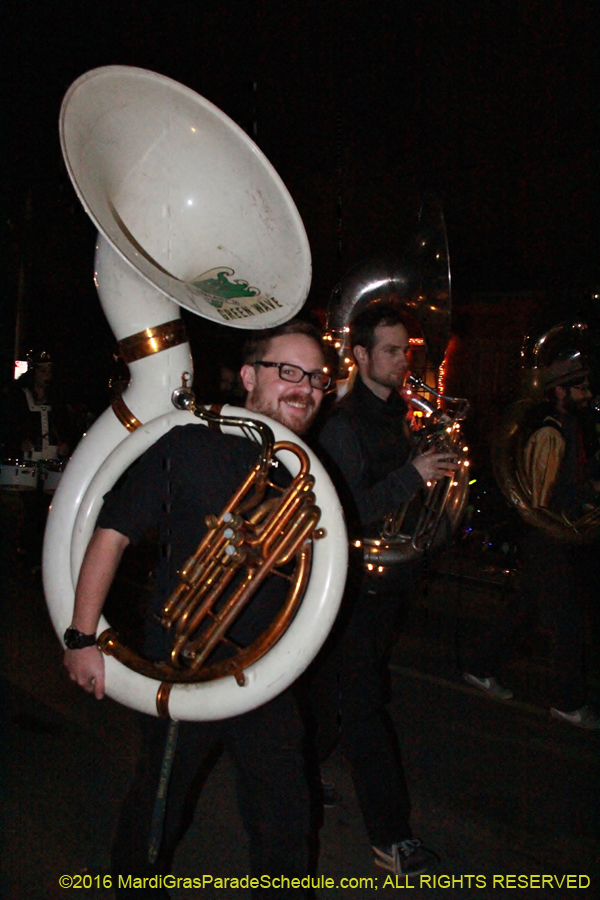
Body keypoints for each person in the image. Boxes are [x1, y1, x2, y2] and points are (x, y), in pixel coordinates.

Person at [63, 320, 332, 897]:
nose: (305, 387)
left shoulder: (303, 472)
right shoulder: (190, 443)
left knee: (287, 816)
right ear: (248, 376)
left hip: (267, 671)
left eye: (316, 377)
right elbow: (110, 534)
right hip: (182, 665)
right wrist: (82, 637)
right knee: (157, 814)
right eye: (289, 371)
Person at [312, 303, 457, 878]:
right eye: (391, 351)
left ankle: (299, 771)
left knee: (330, 692)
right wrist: (412, 476)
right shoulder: (343, 424)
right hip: (352, 587)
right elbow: (343, 512)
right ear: (362, 355)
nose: (403, 361)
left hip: (389, 583)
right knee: (365, 703)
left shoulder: (399, 414)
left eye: (406, 350)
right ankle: (391, 840)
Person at [464, 353, 600, 730]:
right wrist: (589, 494)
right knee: (567, 622)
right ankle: (568, 702)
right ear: (559, 391)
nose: (588, 393)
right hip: (547, 537)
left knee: (526, 609)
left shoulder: (572, 425)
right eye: (580, 387)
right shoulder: (550, 433)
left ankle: (480, 666)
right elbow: (543, 501)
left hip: (556, 537)